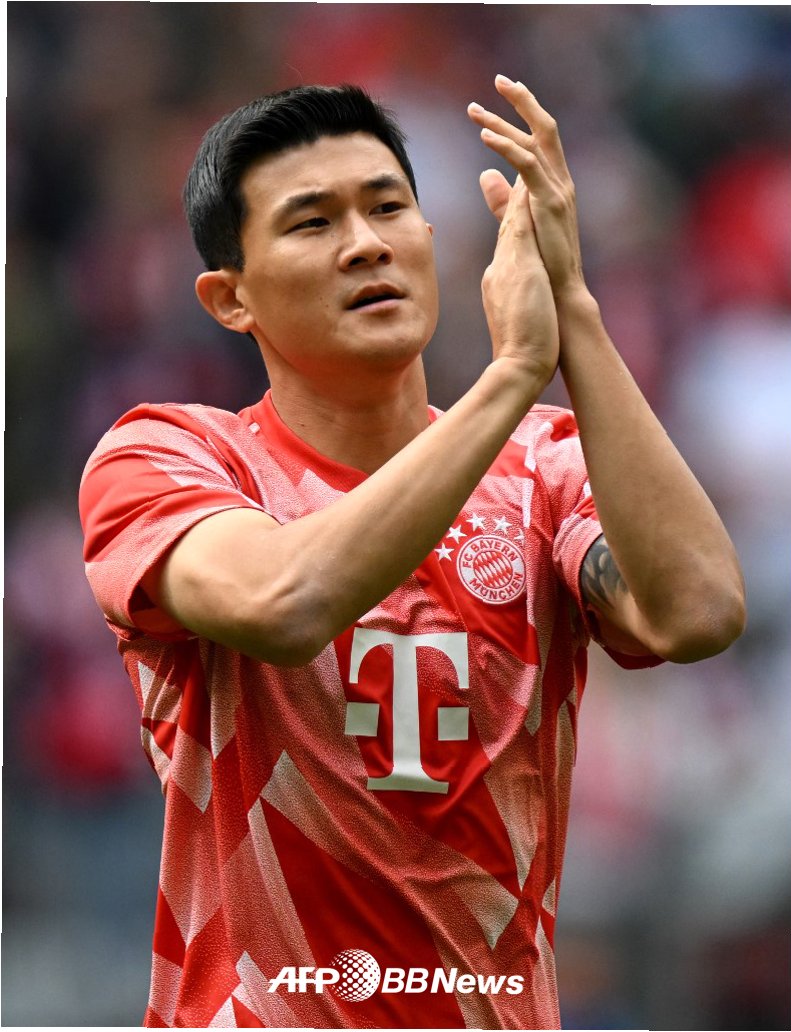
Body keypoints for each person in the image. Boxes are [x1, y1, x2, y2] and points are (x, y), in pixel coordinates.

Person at [79, 76, 745, 1029]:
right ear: (231, 299)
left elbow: (700, 613)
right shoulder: (168, 458)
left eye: (388, 207)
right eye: (312, 222)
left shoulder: (546, 469)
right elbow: (284, 602)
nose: (365, 243)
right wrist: (513, 374)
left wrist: (574, 308)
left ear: (432, 238)